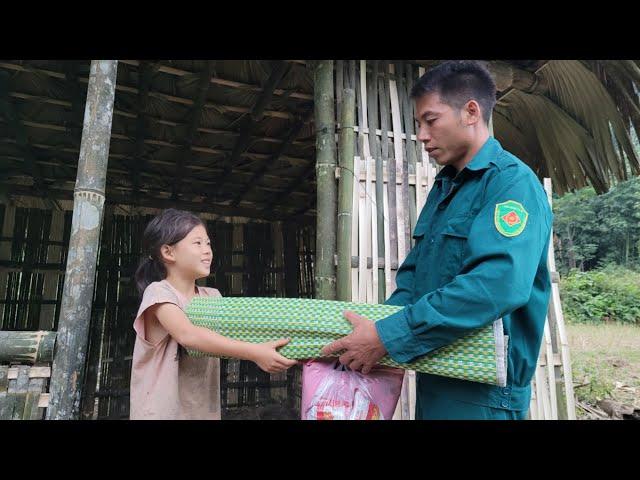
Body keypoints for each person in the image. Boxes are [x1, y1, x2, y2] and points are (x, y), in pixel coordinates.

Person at [321, 60, 553, 420]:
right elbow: (414, 279)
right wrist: (376, 334)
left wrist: (389, 335)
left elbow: (496, 285)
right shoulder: (446, 187)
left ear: (471, 112)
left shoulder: (511, 185)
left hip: (482, 396)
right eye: (418, 125)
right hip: (436, 373)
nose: (422, 136)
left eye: (431, 120)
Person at [129, 208, 297, 419]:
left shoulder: (211, 297)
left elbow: (241, 333)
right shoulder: (159, 293)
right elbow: (188, 335)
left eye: (208, 243)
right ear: (168, 252)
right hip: (160, 413)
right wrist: (255, 353)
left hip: (201, 412)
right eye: (197, 243)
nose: (207, 250)